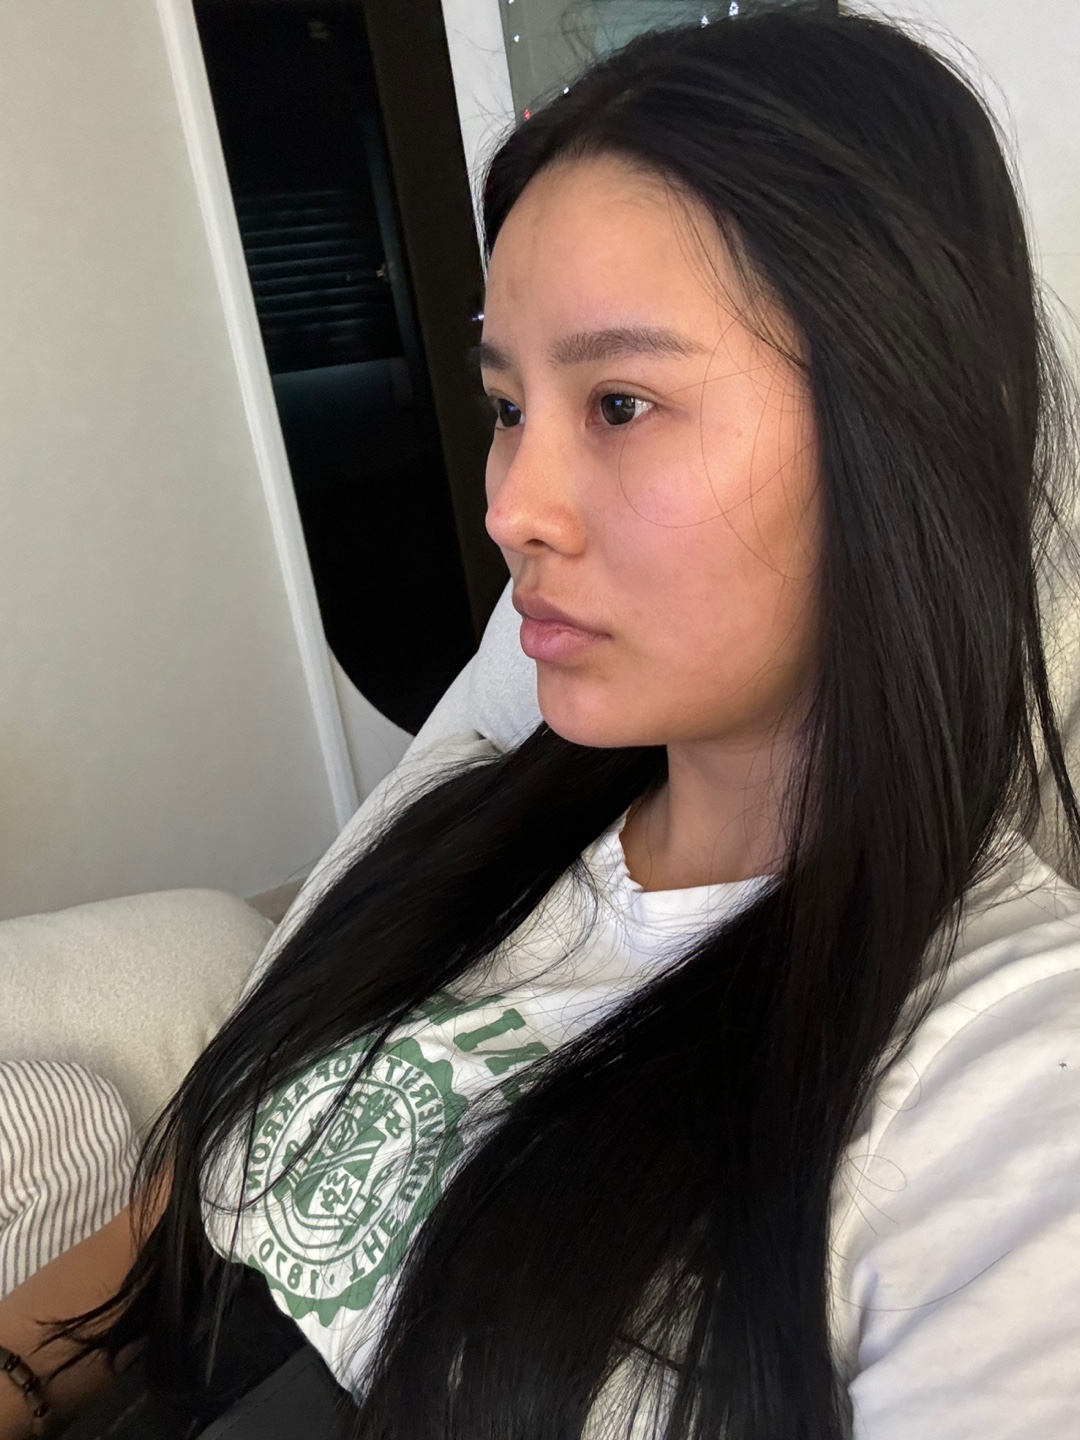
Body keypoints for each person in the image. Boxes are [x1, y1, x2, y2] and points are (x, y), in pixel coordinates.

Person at [2, 6, 1079, 1437]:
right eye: (508, 405)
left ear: (925, 421)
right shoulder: (469, 825)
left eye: (621, 404)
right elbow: (185, 1219)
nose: (512, 507)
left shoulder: (1002, 1076)